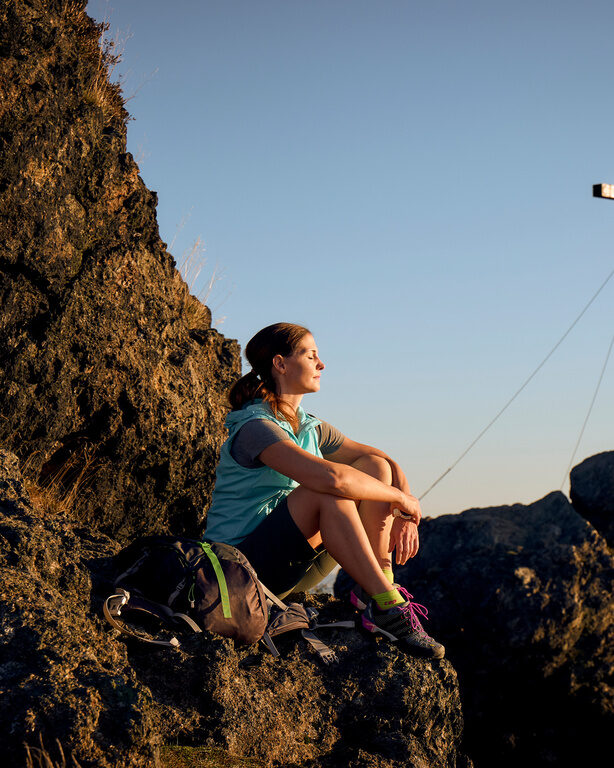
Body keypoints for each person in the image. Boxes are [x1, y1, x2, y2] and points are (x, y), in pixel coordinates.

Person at [204, 322, 444, 659]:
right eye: (311, 355)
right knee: (325, 493)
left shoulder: (309, 425)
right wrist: (398, 499)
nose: (322, 364)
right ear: (280, 364)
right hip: (241, 571)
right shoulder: (256, 427)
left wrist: (408, 512)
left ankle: (375, 591)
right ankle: (390, 606)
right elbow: (330, 479)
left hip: (290, 567)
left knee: (375, 468)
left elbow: (381, 459)